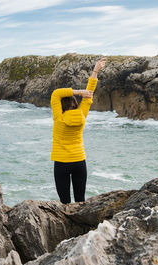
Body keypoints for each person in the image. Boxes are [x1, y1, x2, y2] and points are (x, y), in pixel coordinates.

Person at [50, 58, 106, 204]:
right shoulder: (81, 115)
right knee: (81, 201)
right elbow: (89, 95)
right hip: (80, 162)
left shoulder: (59, 118)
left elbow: (56, 93)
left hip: (62, 163)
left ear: (60, 106)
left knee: (65, 202)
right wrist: (96, 70)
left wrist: (79, 91)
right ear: (75, 104)